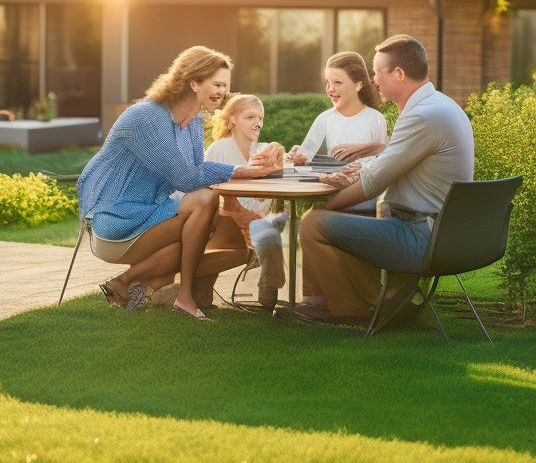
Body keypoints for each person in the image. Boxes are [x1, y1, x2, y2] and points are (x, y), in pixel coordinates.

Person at [77, 45, 284, 322]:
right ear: (194, 82)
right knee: (205, 199)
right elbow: (187, 179)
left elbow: (197, 169)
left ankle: (138, 283)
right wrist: (242, 171)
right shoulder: (146, 117)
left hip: (150, 214)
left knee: (213, 234)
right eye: (218, 84)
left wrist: (247, 170)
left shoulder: (194, 121)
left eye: (226, 86)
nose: (223, 92)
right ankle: (176, 293)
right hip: (114, 221)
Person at [297, 34, 474, 320]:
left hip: (419, 236)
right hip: (440, 232)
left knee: (314, 222)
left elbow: (375, 182)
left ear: (398, 74)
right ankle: (378, 301)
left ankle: (354, 312)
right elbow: (390, 163)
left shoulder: (422, 116)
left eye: (377, 72)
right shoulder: (438, 106)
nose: (374, 80)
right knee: (351, 214)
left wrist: (328, 203)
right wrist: (358, 171)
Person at [205, 93, 288, 310]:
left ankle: (268, 287)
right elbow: (206, 187)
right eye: (250, 117)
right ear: (232, 120)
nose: (258, 123)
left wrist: (282, 156)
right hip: (226, 220)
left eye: (260, 118)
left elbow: (279, 177)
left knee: (272, 224)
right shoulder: (218, 149)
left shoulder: (262, 150)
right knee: (269, 226)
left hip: (258, 217)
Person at [291, 51, 388, 214]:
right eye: (327, 83)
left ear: (358, 85)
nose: (330, 89)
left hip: (365, 207)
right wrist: (299, 159)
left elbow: (379, 168)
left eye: (338, 83)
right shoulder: (324, 119)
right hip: (330, 203)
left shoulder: (375, 119)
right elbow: (302, 161)